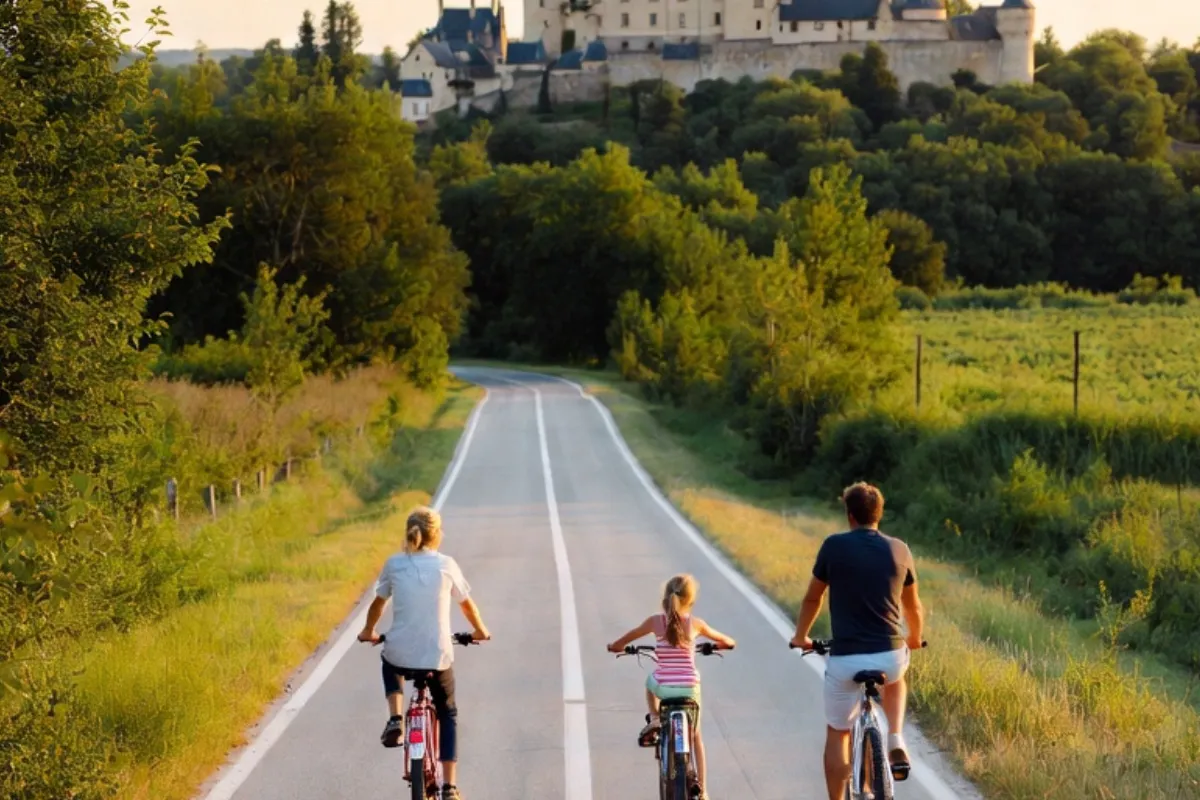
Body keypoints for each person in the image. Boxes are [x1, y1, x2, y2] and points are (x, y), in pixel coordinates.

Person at [789, 482, 924, 800]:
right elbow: (913, 606)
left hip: (846, 658)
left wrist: (801, 637)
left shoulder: (834, 546)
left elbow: (813, 599)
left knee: (838, 732)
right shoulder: (900, 549)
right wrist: (915, 637)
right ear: (879, 514)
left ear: (850, 515)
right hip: (890, 656)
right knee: (897, 674)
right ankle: (894, 737)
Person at [358, 506, 490, 800]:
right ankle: (449, 787)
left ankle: (395, 718)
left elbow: (379, 604)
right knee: (448, 712)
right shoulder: (446, 564)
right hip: (438, 655)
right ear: (437, 535)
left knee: (389, 660)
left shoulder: (394, 564)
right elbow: (466, 605)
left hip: (400, 652)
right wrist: (480, 631)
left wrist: (369, 631)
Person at [606, 574, 735, 800]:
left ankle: (655, 717)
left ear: (665, 597)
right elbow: (729, 641)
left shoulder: (655, 621)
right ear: (690, 600)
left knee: (649, 683)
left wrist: (615, 646)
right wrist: (713, 646)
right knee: (696, 737)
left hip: (664, 687)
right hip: (689, 688)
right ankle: (703, 791)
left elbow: (626, 639)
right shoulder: (696, 624)